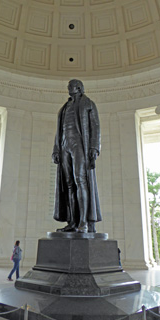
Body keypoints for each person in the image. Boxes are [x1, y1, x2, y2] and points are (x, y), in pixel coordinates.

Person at [52, 79, 102, 233]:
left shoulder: (88, 104)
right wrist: (56, 149)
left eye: (70, 86)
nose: (68, 88)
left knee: (81, 180)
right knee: (68, 184)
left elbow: (95, 126)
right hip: (65, 145)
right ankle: (72, 222)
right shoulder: (65, 107)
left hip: (80, 144)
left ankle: (83, 222)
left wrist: (94, 147)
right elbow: (58, 132)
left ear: (78, 88)